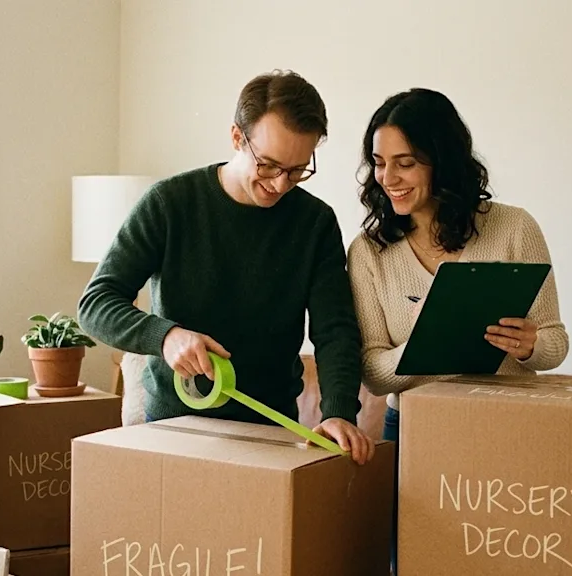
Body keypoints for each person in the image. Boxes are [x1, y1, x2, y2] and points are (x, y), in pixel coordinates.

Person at [78, 70, 375, 465]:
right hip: (174, 427)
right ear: (237, 137)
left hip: (269, 432)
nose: (281, 184)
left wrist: (338, 412)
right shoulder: (170, 204)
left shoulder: (314, 222)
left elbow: (335, 330)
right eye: (268, 165)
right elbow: (96, 303)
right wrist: (165, 337)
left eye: (298, 169)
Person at [347, 87, 569, 443]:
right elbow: (372, 373)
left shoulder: (515, 228)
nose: (388, 178)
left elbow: (555, 343)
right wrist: (427, 347)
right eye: (379, 162)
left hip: (510, 423)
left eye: (405, 164)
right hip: (414, 427)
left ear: (444, 162)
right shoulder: (368, 251)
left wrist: (530, 346)